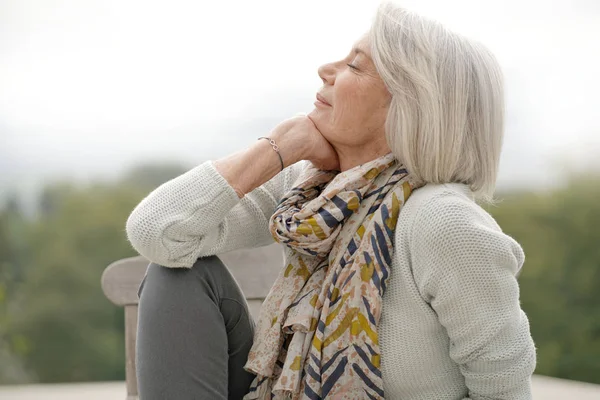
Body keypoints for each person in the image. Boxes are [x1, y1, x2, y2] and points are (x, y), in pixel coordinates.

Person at [126, 2, 536, 399]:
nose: (325, 70)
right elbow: (160, 234)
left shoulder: (443, 222)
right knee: (175, 274)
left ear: (410, 104)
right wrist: (277, 147)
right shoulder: (308, 188)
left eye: (355, 65)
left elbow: (504, 392)